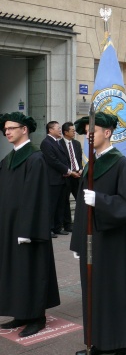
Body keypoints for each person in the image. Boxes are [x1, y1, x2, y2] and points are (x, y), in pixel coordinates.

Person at [71, 112, 126, 355]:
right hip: (94, 242)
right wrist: (78, 242)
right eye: (86, 133)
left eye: (93, 131)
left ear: (108, 132)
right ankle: (98, 342)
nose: (88, 136)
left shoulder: (121, 165)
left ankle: (121, 344)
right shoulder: (91, 164)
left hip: (115, 243)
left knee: (114, 291)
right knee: (95, 292)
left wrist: (100, 200)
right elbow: (81, 208)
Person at [0, 112, 60, 338]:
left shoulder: (35, 158)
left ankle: (37, 317)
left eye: (11, 128)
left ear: (24, 129)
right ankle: (21, 313)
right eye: (5, 129)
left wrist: (26, 230)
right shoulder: (8, 159)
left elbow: (36, 197)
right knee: (15, 271)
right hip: (9, 227)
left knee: (31, 271)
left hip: (28, 229)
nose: (7, 132)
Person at [40, 120, 71, 237]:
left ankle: (58, 227)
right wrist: (67, 170)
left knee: (60, 205)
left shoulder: (58, 142)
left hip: (62, 178)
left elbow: (64, 158)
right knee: (51, 206)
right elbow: (53, 161)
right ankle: (49, 228)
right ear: (50, 130)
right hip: (53, 180)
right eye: (57, 128)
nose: (60, 130)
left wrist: (66, 171)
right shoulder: (46, 143)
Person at [59, 122, 83, 233]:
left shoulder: (77, 143)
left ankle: (82, 222)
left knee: (81, 199)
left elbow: (79, 158)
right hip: (66, 176)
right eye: (72, 130)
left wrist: (81, 169)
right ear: (66, 132)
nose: (74, 132)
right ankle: (67, 225)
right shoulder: (59, 144)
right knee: (65, 201)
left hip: (78, 175)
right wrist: (69, 172)